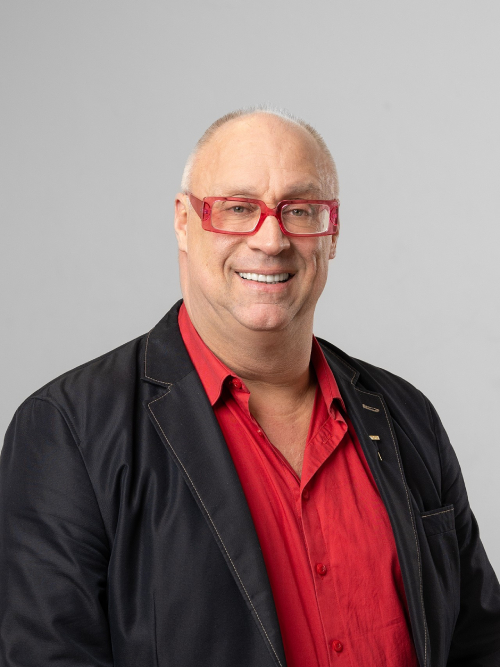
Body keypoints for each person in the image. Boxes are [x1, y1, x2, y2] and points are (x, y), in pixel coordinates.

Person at [1, 108, 499, 667]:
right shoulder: (68, 430)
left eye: (300, 210)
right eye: (238, 208)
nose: (271, 239)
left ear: (332, 232)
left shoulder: (408, 416)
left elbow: (479, 644)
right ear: (183, 222)